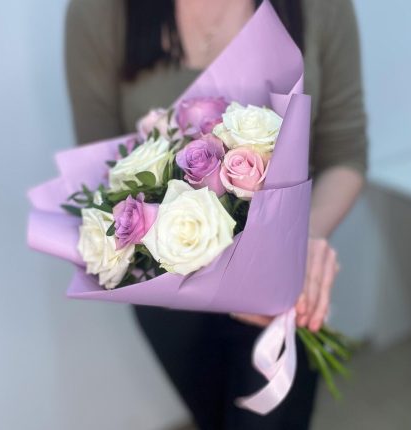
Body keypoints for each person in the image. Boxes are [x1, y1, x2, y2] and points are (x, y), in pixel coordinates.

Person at [65, 0, 367, 428]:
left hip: (283, 283)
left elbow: (345, 155)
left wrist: (301, 242)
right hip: (168, 294)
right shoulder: (101, 13)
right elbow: (100, 175)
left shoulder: (320, 8)